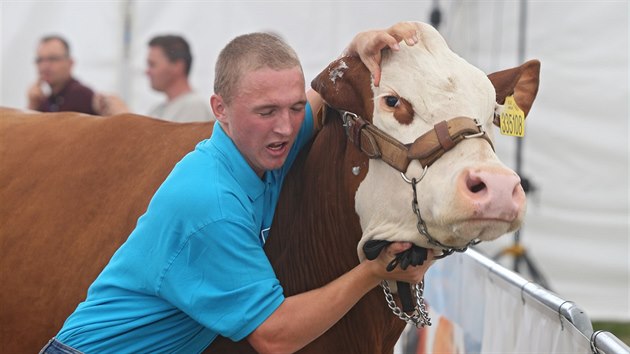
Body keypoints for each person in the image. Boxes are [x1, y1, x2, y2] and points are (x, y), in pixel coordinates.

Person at [40, 22, 429, 354]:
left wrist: (357, 49)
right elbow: (275, 336)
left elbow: (321, 97)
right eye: (266, 111)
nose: (286, 127)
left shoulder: (260, 147)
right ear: (220, 109)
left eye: (293, 108)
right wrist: (374, 271)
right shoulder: (211, 203)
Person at [95, 35, 214, 122]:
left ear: (177, 66)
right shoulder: (158, 109)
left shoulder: (194, 106)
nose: (147, 71)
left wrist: (126, 117)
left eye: (152, 64)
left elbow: (169, 150)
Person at [27, 35, 98, 114]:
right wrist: (33, 106)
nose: (44, 66)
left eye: (52, 59)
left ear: (70, 63)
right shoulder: (44, 101)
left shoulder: (82, 97)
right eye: (39, 60)